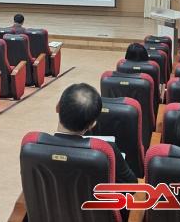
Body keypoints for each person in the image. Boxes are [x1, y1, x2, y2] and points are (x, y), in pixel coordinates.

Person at [55, 83, 135, 221]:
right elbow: (131, 186)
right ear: (93, 124)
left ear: (57, 107)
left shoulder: (33, 147)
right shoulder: (106, 151)